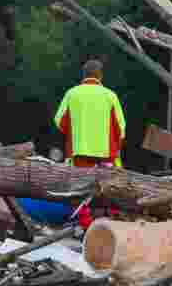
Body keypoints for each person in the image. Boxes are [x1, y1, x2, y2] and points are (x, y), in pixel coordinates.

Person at [53, 58, 125, 229]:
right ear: (100, 75)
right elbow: (121, 127)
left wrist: (75, 133)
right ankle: (114, 225)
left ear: (83, 75)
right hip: (106, 153)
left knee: (81, 192)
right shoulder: (110, 95)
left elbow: (59, 121)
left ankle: (86, 228)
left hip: (80, 151)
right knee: (110, 190)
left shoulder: (72, 93)